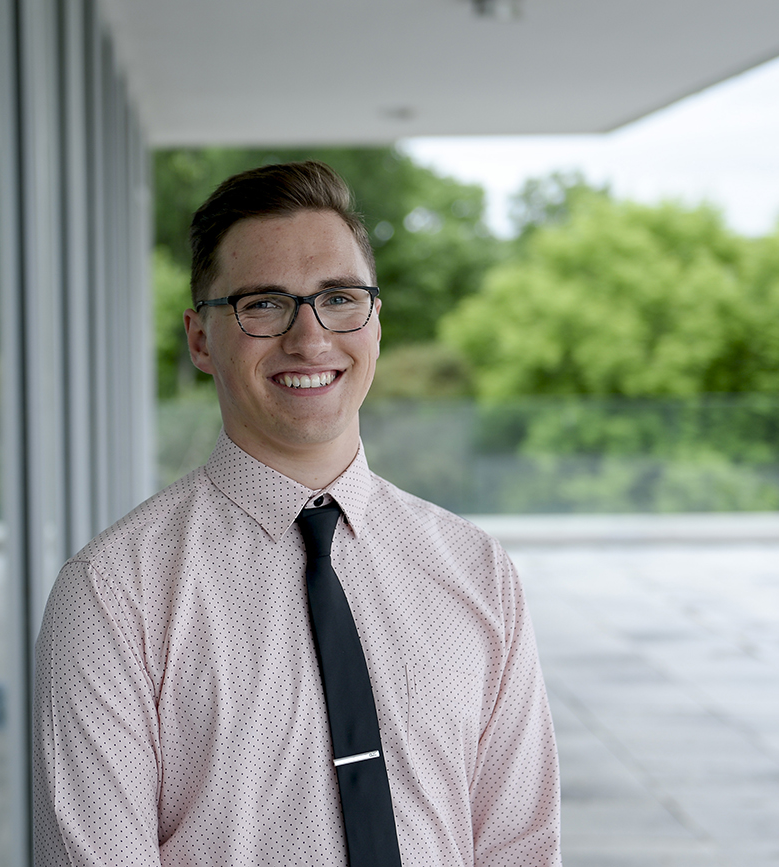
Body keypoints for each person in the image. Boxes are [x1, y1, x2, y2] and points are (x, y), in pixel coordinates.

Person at [34, 161, 560, 866]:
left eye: (338, 298)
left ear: (374, 318)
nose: (310, 339)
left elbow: (521, 847)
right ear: (199, 338)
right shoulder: (112, 593)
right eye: (263, 304)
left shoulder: (477, 571)